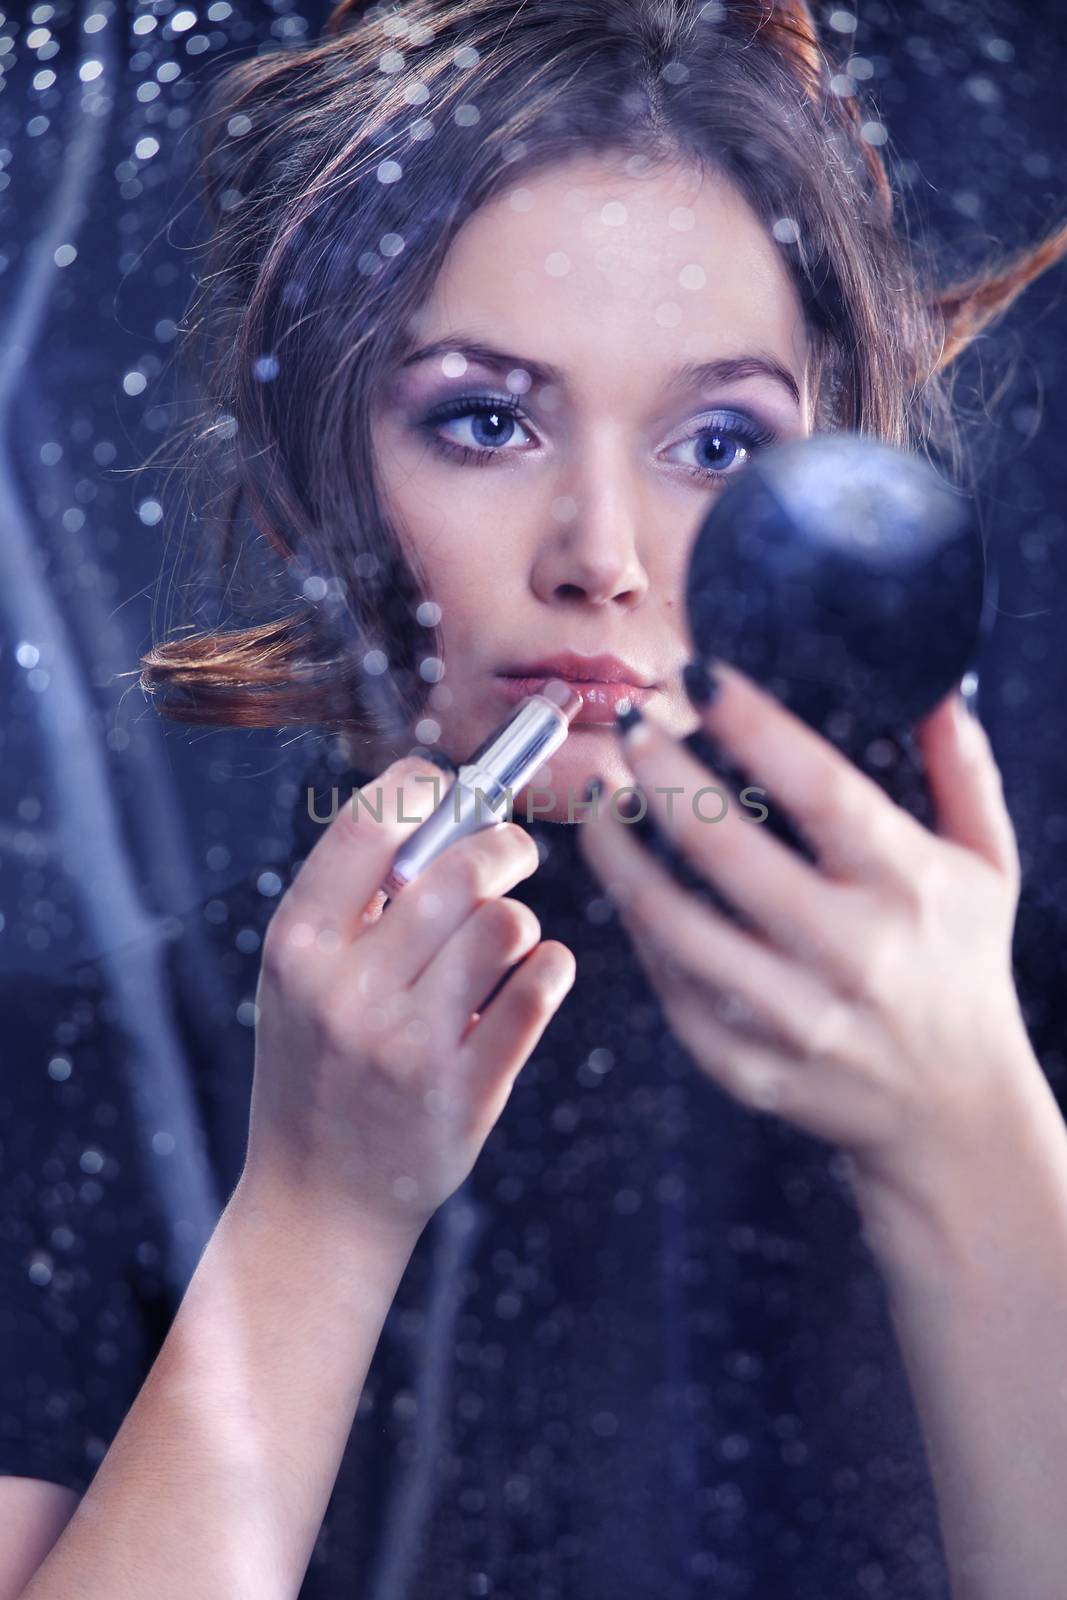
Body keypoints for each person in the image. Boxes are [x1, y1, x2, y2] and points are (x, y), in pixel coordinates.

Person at [3, 1, 1067, 1596]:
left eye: (717, 441)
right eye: (485, 420)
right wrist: (317, 1208)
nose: (604, 555)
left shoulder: (1035, 1025)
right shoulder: (72, 1083)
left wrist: (973, 1145)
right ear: (311, 482)